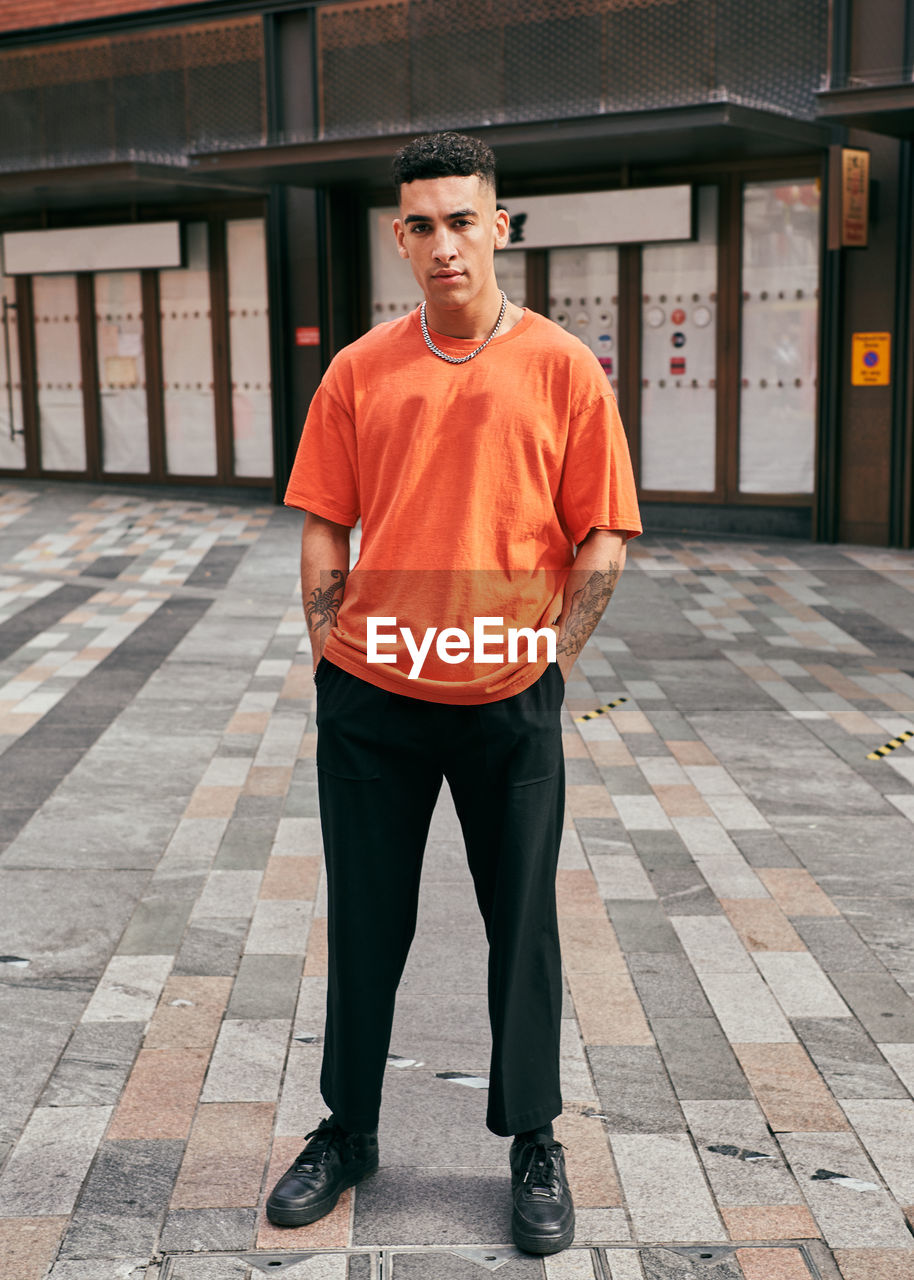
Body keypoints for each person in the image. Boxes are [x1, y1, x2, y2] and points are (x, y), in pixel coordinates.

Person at [267, 131, 642, 1256]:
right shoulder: (357, 369)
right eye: (421, 224)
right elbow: (323, 520)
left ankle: (533, 1137)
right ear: (399, 238)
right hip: (372, 697)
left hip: (504, 696)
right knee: (364, 922)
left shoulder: (562, 367)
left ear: (500, 225)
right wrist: (332, 656)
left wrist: (547, 662)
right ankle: (348, 1129)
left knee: (519, 925)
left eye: (462, 219)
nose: (443, 243)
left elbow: (603, 542)